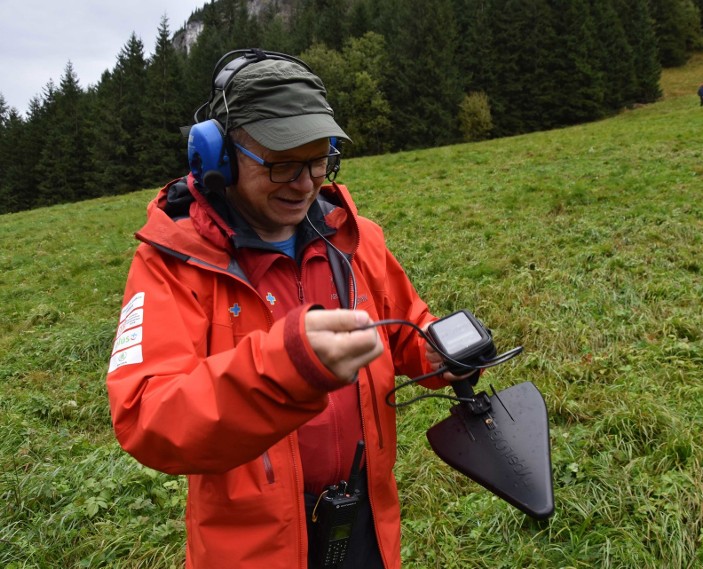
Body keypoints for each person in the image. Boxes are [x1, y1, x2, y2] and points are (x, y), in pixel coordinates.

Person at [105, 49, 465, 569]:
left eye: (320, 160)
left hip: (363, 520)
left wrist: (437, 350)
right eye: (282, 164)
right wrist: (286, 368)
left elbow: (404, 329)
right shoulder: (171, 263)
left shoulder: (354, 239)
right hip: (251, 549)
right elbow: (146, 414)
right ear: (219, 156)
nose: (305, 183)